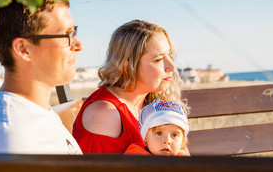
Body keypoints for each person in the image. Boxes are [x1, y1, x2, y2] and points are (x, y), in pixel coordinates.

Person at [0, 0, 83, 154]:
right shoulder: (12, 138)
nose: (79, 45)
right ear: (23, 49)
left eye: (74, 32)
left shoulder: (34, 113)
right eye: (67, 35)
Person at [73, 19, 188, 153]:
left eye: (169, 55)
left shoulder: (153, 105)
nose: (171, 67)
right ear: (127, 66)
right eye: (158, 59)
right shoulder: (105, 114)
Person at [125, 99, 190, 156]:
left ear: (182, 141)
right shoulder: (137, 156)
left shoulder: (183, 161)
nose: (167, 140)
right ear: (145, 137)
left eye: (174, 135)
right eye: (159, 133)